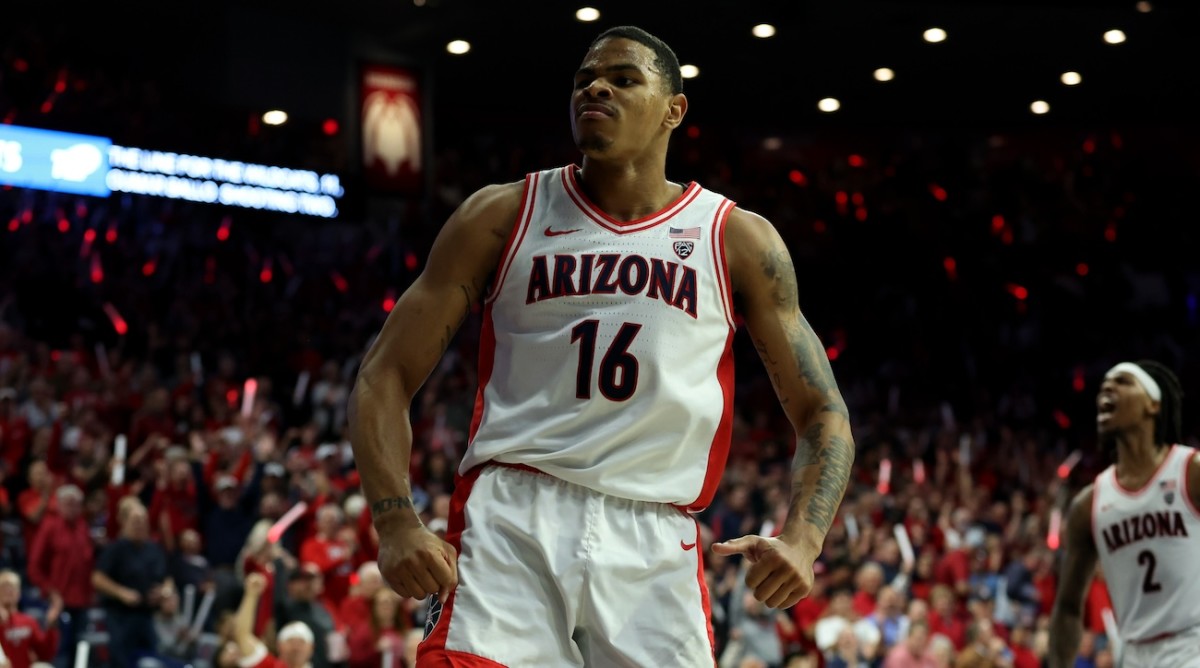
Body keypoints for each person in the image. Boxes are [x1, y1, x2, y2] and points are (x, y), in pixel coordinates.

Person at [349, 24, 855, 666]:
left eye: (623, 78)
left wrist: (805, 540)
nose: (595, 88)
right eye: (586, 78)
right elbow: (382, 374)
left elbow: (824, 412)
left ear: (674, 110)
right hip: (513, 517)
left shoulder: (735, 240)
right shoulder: (502, 214)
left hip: (655, 534)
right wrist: (395, 521)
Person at [1049, 360, 1199, 667]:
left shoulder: (1191, 472)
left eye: (1123, 382)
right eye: (1104, 384)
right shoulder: (1088, 505)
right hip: (1132, 654)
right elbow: (1067, 607)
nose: (1107, 387)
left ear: (1153, 405)